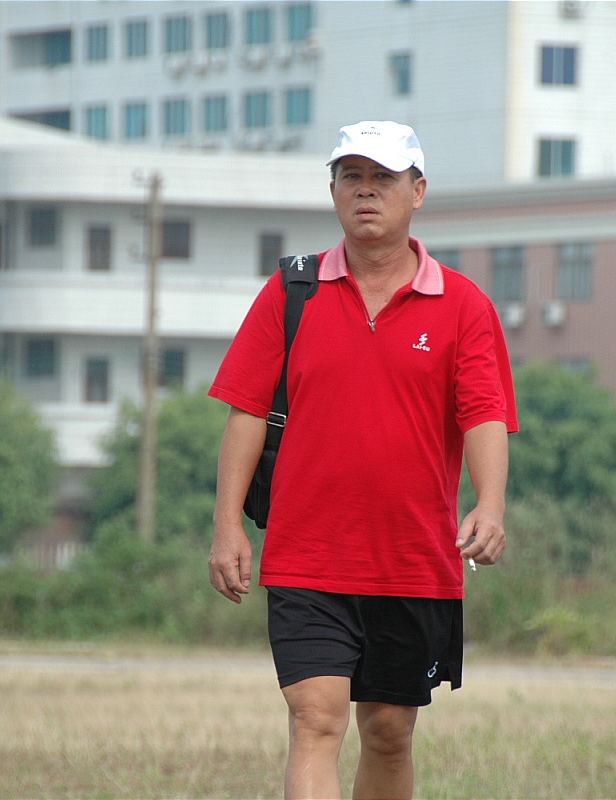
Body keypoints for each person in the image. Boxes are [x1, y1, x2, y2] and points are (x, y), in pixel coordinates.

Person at [207, 120, 518, 800]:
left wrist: (490, 505)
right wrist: (227, 524)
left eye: (383, 178)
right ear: (333, 191)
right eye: (351, 177)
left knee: (386, 730)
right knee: (315, 719)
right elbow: (247, 411)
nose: (366, 191)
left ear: (418, 191)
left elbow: (484, 414)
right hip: (306, 554)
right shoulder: (291, 291)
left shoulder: (463, 304)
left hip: (413, 558)